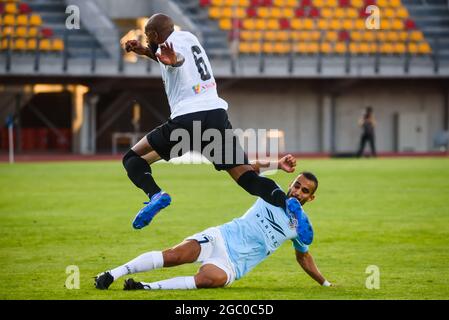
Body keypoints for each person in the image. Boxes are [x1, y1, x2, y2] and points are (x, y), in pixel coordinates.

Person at [122, 13, 296, 230]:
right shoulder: (189, 38)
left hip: (187, 118)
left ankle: (156, 194)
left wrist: (171, 60)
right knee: (247, 177)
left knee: (132, 158)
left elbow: (177, 60)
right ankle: (288, 205)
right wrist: (147, 52)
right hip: (215, 115)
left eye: (148, 36)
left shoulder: (170, 50)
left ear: (155, 34)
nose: (147, 39)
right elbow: (174, 58)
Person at [94, 156, 332, 290]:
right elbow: (247, 170)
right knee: (175, 256)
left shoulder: (300, 228)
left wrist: (325, 283)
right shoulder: (272, 191)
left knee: (211, 281)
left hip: (234, 265)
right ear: (291, 185)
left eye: (305, 191)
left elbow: (304, 257)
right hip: (221, 237)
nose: (298, 191)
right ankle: (111, 274)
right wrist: (277, 164)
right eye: (297, 185)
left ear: (311, 198)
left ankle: (144, 287)